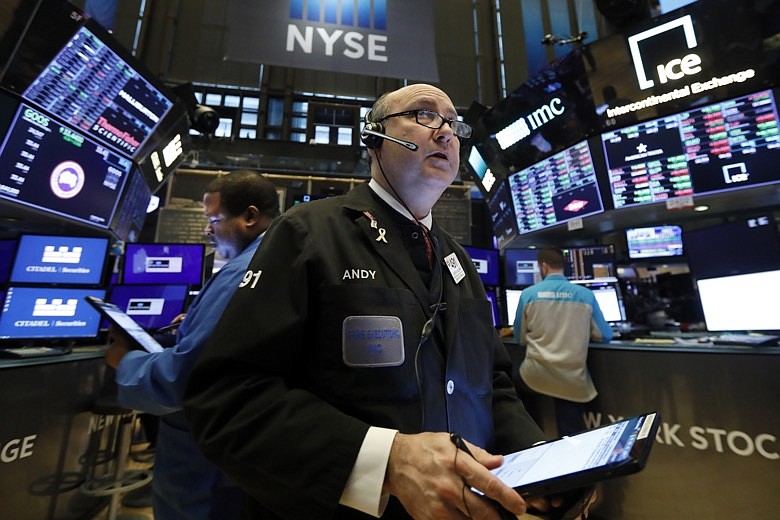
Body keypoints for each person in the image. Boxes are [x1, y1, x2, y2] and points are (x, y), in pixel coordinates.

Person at [183, 84, 585, 520]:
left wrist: (539, 461)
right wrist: (387, 460)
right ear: (373, 138)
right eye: (424, 115)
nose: (446, 132)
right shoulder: (307, 232)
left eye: (453, 122)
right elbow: (227, 399)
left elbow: (494, 386)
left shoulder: (460, 262)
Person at [104, 170, 280, 519]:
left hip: (204, 464)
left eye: (214, 220)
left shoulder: (239, 274)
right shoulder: (279, 257)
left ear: (249, 216)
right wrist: (197, 323)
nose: (208, 230)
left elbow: (183, 379)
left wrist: (124, 360)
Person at [513, 247, 614, 437]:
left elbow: (520, 337)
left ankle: (531, 439)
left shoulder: (528, 294)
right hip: (571, 379)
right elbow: (604, 335)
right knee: (571, 433)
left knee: (518, 389)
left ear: (543, 267)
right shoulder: (585, 295)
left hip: (535, 375)